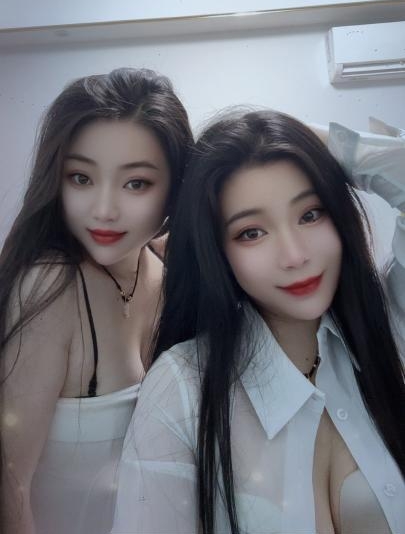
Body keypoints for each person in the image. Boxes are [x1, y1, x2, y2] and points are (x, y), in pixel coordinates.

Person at [112, 109, 405, 534]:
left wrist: (325, 144)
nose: (295, 256)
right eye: (251, 232)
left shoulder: (388, 324)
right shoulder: (183, 386)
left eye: (310, 214)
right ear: (218, 252)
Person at [0, 67, 193, 534]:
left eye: (136, 183)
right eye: (81, 178)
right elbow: (10, 484)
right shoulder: (51, 286)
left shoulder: (165, 270)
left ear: (176, 187)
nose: (104, 209)